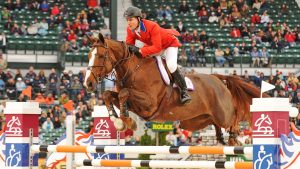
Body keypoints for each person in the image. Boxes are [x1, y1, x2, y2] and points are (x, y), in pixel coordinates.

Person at [124, 6, 191, 104]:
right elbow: (129, 45)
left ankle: (184, 91)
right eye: (127, 20)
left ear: (138, 19)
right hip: (153, 46)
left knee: (171, 65)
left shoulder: (152, 26)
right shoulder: (130, 29)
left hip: (168, 44)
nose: (128, 23)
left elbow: (157, 48)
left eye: (131, 20)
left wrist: (140, 50)